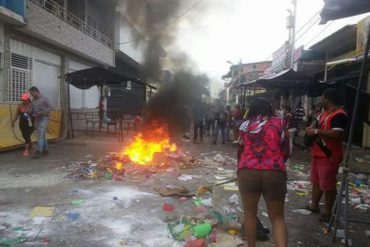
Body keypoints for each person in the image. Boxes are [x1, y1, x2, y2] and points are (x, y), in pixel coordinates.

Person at [238, 98, 288, 247]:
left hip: (247, 172)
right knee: (278, 217)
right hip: (274, 172)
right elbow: (287, 151)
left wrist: (240, 168)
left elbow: (239, 149)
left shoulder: (245, 125)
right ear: (270, 109)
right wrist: (277, 163)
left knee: (249, 213)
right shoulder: (280, 123)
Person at [305, 89, 348, 222]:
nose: (321, 101)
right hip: (317, 153)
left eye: (322, 98)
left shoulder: (339, 115)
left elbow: (337, 134)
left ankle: (327, 211)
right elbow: (313, 126)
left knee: (328, 184)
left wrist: (316, 131)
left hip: (329, 155)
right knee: (316, 182)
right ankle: (314, 205)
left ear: (327, 99)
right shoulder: (323, 114)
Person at [29, 86, 53, 159]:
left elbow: (50, 107)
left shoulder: (44, 98)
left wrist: (42, 113)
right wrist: (29, 111)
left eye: (31, 93)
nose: (31, 95)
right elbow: (32, 109)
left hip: (44, 118)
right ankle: (45, 150)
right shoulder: (33, 100)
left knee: (40, 133)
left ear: (36, 91)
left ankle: (38, 152)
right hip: (37, 119)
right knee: (41, 134)